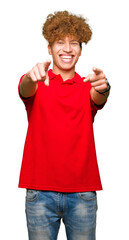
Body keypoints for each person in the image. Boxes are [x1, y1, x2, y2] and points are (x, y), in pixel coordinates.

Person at [18, 11, 110, 240]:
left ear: (80, 49)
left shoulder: (87, 86)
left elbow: (100, 95)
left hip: (82, 195)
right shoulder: (36, 83)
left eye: (74, 43)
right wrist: (31, 76)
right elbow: (24, 88)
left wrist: (105, 87)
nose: (67, 49)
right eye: (60, 42)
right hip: (39, 193)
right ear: (49, 48)